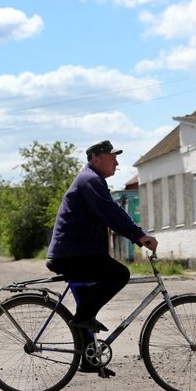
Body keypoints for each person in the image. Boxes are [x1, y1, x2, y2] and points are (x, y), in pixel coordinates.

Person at [46, 140, 158, 374]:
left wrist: (136, 235)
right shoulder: (90, 180)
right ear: (96, 159)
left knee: (87, 305)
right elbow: (111, 212)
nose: (116, 162)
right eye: (112, 157)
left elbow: (110, 212)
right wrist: (139, 236)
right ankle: (83, 318)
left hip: (76, 252)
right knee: (119, 274)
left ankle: (89, 358)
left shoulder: (91, 180)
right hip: (73, 254)